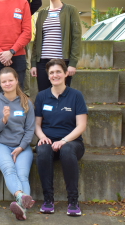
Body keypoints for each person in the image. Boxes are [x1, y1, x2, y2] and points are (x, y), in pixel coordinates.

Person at [34, 59, 87, 216]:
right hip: (48, 140)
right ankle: (48, 200)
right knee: (42, 151)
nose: (55, 75)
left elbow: (81, 126)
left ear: (65, 73)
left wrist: (64, 140)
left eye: (58, 72)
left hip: (72, 142)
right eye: (51, 73)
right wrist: (42, 137)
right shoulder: (42, 96)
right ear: (48, 76)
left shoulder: (76, 96)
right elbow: (37, 124)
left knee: (67, 150)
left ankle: (73, 201)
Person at [0, 67, 35, 220]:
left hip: (22, 146)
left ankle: (22, 209)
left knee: (22, 175)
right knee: (9, 169)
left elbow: (29, 130)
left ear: (16, 81)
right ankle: (21, 196)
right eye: (4, 81)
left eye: (10, 80)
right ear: (0, 84)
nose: (7, 83)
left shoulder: (26, 102)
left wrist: (21, 148)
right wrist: (4, 119)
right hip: (0, 144)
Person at [31, 0, 82, 92]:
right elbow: (37, 40)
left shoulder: (70, 10)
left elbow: (76, 38)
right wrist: (33, 63)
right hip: (43, 61)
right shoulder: (42, 13)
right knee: (43, 94)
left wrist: (73, 63)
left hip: (62, 61)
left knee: (62, 93)